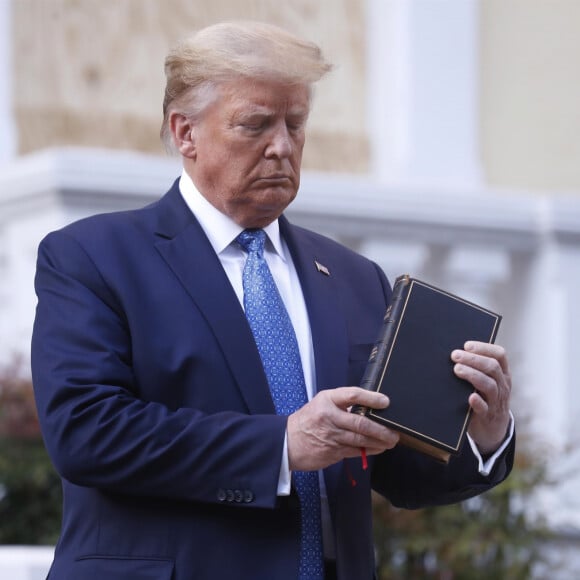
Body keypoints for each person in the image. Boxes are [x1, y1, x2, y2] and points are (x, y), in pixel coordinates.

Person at [31, 21, 514, 580]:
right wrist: (282, 445)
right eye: (255, 124)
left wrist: (481, 434)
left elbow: (396, 472)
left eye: (296, 123)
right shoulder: (94, 257)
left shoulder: (356, 278)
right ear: (185, 132)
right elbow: (87, 434)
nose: (282, 145)